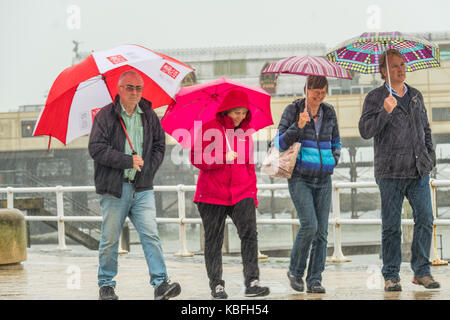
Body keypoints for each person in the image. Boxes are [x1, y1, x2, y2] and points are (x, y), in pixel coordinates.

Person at [89, 70, 181, 300]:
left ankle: (160, 284)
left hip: (142, 188)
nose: (134, 92)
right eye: (129, 87)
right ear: (119, 90)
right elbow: (96, 149)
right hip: (114, 188)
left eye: (138, 88)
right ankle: (106, 285)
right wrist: (126, 160)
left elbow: (160, 144)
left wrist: (148, 169)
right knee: (110, 238)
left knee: (151, 235)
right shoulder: (105, 116)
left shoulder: (149, 114)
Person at [359, 49, 440, 291]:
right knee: (391, 226)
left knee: (426, 219)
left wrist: (430, 156)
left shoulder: (416, 95)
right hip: (390, 172)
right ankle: (391, 275)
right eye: (394, 66)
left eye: (402, 65)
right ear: (384, 71)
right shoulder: (375, 97)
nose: (401, 69)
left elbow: (425, 128)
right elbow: (365, 131)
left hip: (417, 170)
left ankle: (421, 271)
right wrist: (385, 111)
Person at [190, 89, 270, 299]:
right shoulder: (209, 128)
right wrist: (222, 157)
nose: (240, 117)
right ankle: (217, 285)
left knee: (250, 235)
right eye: (236, 112)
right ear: (226, 110)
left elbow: (249, 167)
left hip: (242, 192)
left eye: (244, 113)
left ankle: (252, 281)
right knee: (214, 241)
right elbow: (196, 158)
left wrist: (253, 195)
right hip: (211, 195)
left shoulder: (246, 135)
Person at [275, 75, 340, 294]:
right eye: (315, 93)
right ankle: (295, 271)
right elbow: (279, 142)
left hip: (324, 178)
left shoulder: (329, 112)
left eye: (323, 92)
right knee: (309, 225)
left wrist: (334, 158)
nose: (319, 97)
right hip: (300, 177)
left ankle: (314, 279)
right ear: (306, 90)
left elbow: (336, 141)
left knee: (321, 232)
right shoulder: (293, 110)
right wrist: (298, 125)